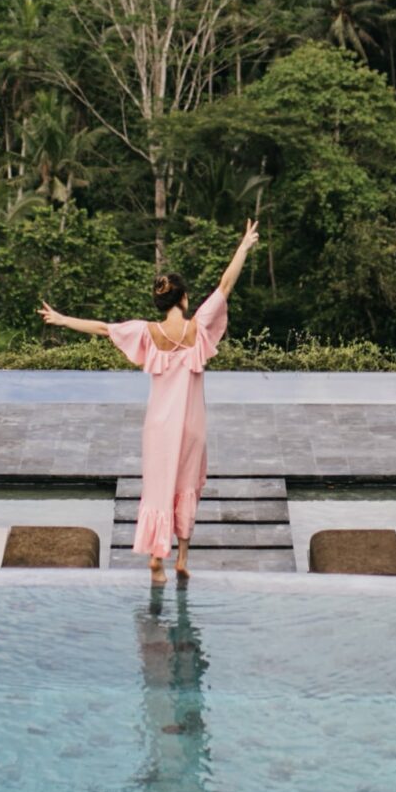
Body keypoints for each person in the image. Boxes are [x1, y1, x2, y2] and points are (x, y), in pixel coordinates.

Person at [40, 219, 259, 584]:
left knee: (158, 489)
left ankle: (157, 559)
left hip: (158, 427)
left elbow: (102, 328)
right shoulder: (198, 327)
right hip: (191, 427)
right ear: (185, 299)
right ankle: (183, 558)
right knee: (187, 486)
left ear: (161, 302)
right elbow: (225, 285)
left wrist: (62, 319)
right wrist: (244, 245)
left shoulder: (148, 332)